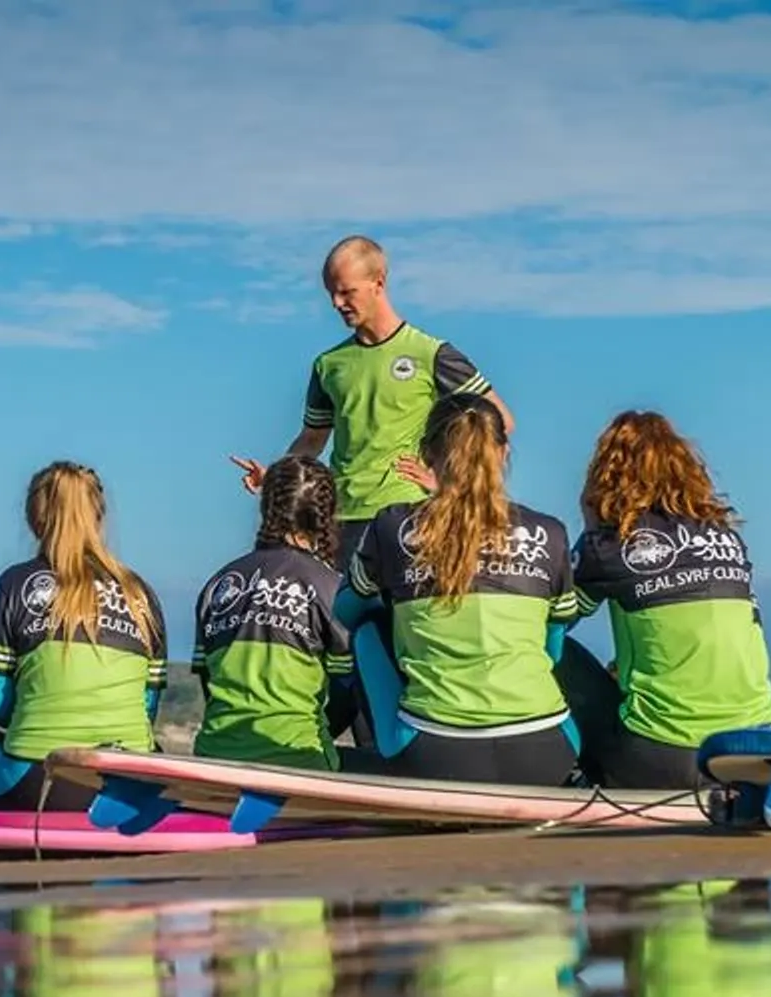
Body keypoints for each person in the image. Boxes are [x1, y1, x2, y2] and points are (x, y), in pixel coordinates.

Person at [338, 392, 580, 785]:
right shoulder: (550, 532)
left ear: (427, 455)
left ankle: (380, 749)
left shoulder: (391, 526)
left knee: (367, 625)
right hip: (545, 754)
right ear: (502, 454)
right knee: (550, 628)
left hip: (433, 756)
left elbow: (346, 611)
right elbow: (554, 645)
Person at [231, 234, 514, 570]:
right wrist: (277, 476)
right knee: (341, 617)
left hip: (409, 511)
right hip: (340, 518)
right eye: (331, 294)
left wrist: (448, 482)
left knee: (402, 616)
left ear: (378, 283)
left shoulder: (432, 353)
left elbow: (499, 422)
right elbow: (311, 439)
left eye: (346, 291)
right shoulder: (328, 365)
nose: (337, 303)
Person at [0, 461, 167, 812]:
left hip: (40, 788)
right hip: (127, 790)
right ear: (99, 516)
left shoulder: (18, 584)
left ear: (36, 516)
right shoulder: (140, 594)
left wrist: (43, 719)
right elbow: (147, 710)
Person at [559, 411, 771, 789]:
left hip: (660, 762)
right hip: (750, 752)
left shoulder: (610, 543)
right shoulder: (725, 538)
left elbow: (552, 620)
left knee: (555, 649)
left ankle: (544, 758)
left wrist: (590, 528)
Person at [191, 455, 361, 772]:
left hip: (214, 760)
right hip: (298, 760)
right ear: (328, 515)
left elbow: (208, 682)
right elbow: (347, 694)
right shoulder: (332, 588)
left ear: (266, 511)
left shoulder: (218, 584)